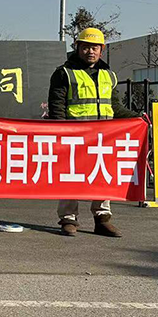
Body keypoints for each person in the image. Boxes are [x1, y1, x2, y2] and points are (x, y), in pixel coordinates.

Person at [47, 27, 137, 237]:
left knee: (102, 175)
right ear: (78, 47)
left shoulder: (109, 75)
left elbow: (114, 107)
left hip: (104, 137)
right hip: (74, 136)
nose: (90, 51)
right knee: (71, 176)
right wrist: (61, 132)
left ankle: (102, 218)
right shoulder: (64, 73)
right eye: (86, 47)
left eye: (95, 47)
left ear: (101, 50)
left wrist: (136, 117)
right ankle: (68, 219)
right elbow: (57, 107)